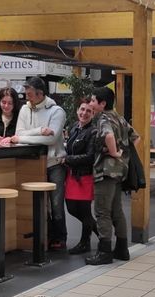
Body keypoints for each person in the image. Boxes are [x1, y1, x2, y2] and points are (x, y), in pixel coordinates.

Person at [1, 77, 68, 250]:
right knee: (39, 203)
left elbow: (52, 138)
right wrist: (39, 132)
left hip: (54, 163)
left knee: (56, 204)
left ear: (40, 94)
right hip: (32, 163)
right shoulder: (24, 109)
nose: (26, 97)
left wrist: (22, 138)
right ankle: (44, 236)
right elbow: (19, 133)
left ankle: (59, 237)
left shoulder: (57, 111)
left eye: (30, 94)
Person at [86, 87, 140, 265]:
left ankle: (104, 252)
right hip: (120, 172)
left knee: (102, 211)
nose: (91, 104)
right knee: (117, 210)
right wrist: (124, 156)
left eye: (93, 101)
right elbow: (136, 138)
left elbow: (108, 135)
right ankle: (122, 249)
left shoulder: (103, 118)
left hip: (106, 171)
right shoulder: (120, 117)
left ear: (102, 104)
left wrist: (114, 152)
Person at [63, 99, 98, 254]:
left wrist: (68, 160)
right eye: (82, 109)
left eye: (89, 111)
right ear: (78, 110)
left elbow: (90, 157)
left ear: (93, 114)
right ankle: (101, 232)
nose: (84, 113)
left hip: (85, 176)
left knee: (84, 212)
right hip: (72, 175)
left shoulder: (93, 132)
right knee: (71, 208)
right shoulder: (74, 128)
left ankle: (85, 243)